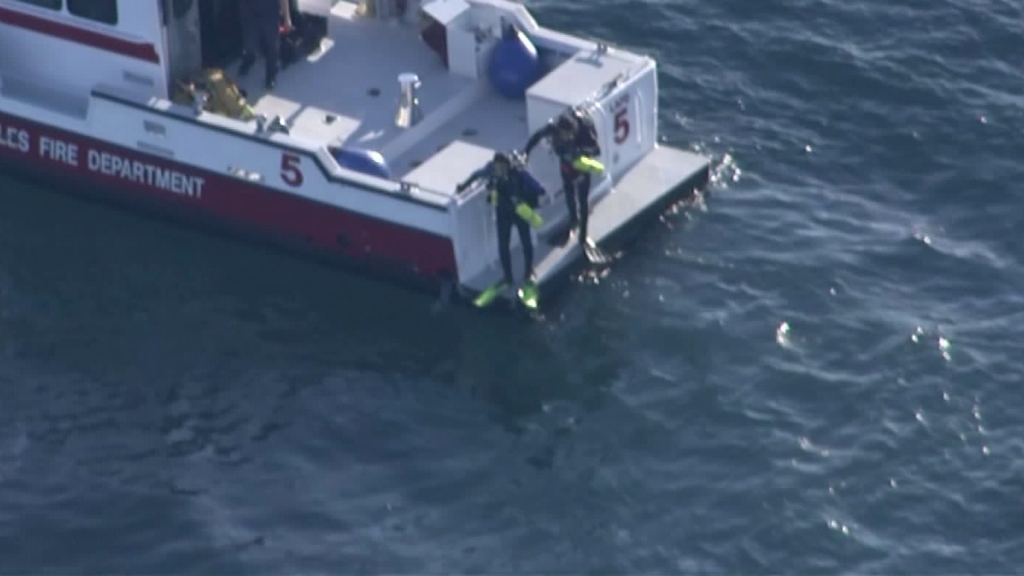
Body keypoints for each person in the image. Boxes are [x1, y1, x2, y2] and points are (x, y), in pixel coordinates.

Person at [456, 152, 546, 306]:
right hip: (503, 212)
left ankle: (529, 271)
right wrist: (463, 185)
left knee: (526, 241)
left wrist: (528, 196)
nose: (499, 169)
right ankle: (507, 276)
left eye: (502, 166)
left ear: (508, 165)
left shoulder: (519, 174)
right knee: (503, 246)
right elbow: (477, 175)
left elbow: (539, 188)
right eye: (497, 166)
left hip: (519, 210)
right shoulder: (491, 170)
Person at [523, 107, 603, 247]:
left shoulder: (584, 130)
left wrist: (579, 151)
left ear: (574, 131)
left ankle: (583, 236)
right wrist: (526, 153)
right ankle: (574, 221)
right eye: (563, 135)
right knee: (569, 193)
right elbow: (537, 137)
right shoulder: (553, 128)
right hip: (566, 162)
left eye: (569, 135)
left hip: (581, 162)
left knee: (582, 199)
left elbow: (596, 150)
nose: (566, 137)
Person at [238, 0, 292, 89]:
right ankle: (250, 57)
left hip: (269, 12)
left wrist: (287, 17)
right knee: (249, 42)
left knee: (272, 45)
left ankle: (271, 74)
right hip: (249, 11)